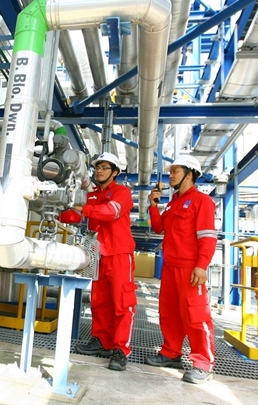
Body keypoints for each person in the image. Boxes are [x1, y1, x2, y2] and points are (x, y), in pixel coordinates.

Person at [59, 152, 137, 371]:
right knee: (99, 302)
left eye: (104, 167)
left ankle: (121, 349)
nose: (99, 171)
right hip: (97, 255)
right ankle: (102, 341)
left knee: (122, 303)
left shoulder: (122, 193)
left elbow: (110, 212)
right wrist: (55, 210)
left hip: (119, 254)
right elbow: (76, 216)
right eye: (97, 168)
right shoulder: (91, 196)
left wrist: (82, 208)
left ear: (115, 172)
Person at [145, 155, 217, 384]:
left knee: (196, 315)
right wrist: (153, 206)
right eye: (171, 171)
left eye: (175, 171)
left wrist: (201, 266)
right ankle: (171, 353)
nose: (171, 175)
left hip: (190, 268)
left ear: (190, 174)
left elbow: (208, 237)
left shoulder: (202, 201)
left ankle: (203, 364)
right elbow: (159, 228)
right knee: (169, 313)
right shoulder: (173, 203)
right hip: (170, 266)